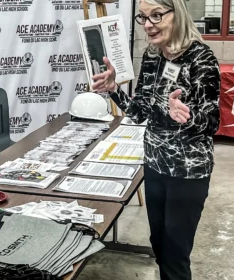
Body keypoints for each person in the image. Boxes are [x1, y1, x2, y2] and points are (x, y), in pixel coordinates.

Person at [93, 0, 220, 279]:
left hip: (188, 172)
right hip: (155, 166)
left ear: (178, 15)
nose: (149, 24)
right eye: (144, 17)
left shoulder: (201, 58)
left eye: (157, 16)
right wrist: (114, 89)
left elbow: (212, 122)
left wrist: (187, 116)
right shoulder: (152, 57)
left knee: (175, 255)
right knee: (159, 246)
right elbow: (138, 113)